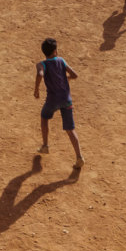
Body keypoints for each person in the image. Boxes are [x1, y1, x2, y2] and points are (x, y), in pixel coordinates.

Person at [34, 38, 84, 169]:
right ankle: (79, 156)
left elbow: (40, 74)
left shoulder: (42, 64)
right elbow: (75, 75)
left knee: (44, 117)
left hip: (52, 100)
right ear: (55, 51)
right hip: (66, 100)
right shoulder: (61, 61)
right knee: (70, 129)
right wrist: (64, 78)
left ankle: (45, 145)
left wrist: (36, 89)